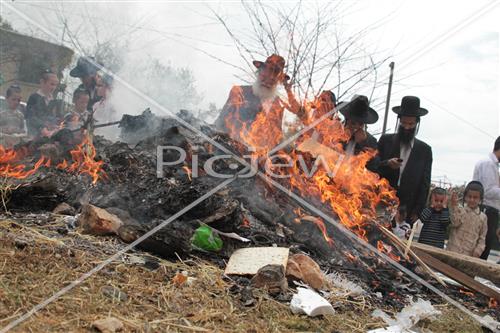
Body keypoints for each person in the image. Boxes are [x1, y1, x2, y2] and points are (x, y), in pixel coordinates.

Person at [214, 54, 300, 147]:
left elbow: (277, 136)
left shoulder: (277, 105)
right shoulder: (239, 92)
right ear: (259, 73)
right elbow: (221, 121)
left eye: (272, 80)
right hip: (231, 147)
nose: (267, 82)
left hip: (258, 156)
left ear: (277, 81)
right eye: (264, 76)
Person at [377, 96, 432, 224]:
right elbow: (374, 167)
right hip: (381, 204)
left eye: (411, 124)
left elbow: (425, 184)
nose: (407, 127)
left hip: (406, 211)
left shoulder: (424, 150)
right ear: (399, 120)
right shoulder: (385, 141)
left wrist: (417, 211)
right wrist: (387, 164)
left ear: (417, 123)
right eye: (404, 123)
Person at [472, 136, 500, 260]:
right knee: (482, 249)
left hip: (488, 210)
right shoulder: (488, 164)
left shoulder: (490, 164)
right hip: (487, 210)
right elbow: (487, 191)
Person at [338, 95, 379, 171]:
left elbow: (374, 168)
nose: (356, 127)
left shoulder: (371, 141)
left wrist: (363, 143)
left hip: (353, 180)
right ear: (347, 119)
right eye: (353, 123)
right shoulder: (333, 133)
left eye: (360, 124)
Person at [447, 181, 488, 258]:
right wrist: (453, 206)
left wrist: (478, 250)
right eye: (469, 196)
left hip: (468, 256)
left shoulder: (483, 217)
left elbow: (482, 238)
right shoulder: (459, 209)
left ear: (480, 199)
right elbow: (455, 223)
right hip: (452, 251)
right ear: (465, 197)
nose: (472, 200)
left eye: (475, 197)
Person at [25, 69, 61, 138]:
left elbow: (52, 117)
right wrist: (42, 127)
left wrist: (55, 124)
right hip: (34, 135)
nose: (54, 87)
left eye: (55, 85)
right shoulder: (34, 97)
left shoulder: (52, 100)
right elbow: (30, 117)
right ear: (42, 82)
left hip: (48, 134)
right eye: (51, 84)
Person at [91, 74, 119, 140]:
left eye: (100, 86)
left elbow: (114, 127)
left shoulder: (115, 105)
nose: (96, 88)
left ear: (108, 87)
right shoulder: (96, 105)